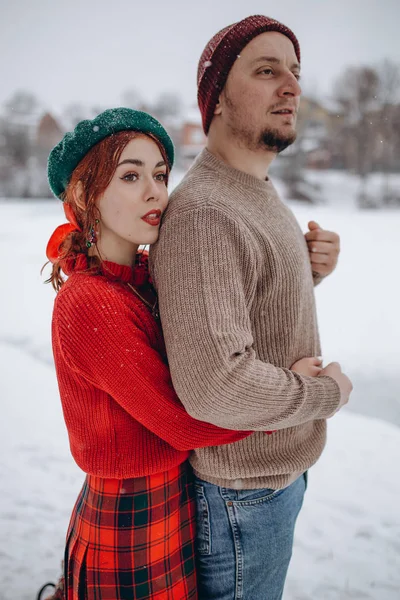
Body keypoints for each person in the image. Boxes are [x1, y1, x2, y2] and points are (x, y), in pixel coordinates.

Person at [149, 15, 353, 600]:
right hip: (244, 496)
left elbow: (243, 309)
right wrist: (327, 395)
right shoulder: (208, 211)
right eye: (267, 71)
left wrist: (308, 272)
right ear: (215, 99)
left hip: (268, 481)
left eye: (294, 72)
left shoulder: (252, 188)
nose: (291, 86)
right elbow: (217, 385)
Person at [41, 107, 253, 600]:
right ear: (84, 194)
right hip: (129, 517)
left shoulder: (141, 280)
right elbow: (181, 421)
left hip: (168, 499)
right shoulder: (90, 300)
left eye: (159, 174)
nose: (155, 190)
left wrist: (306, 265)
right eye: (131, 176)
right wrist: (285, 408)